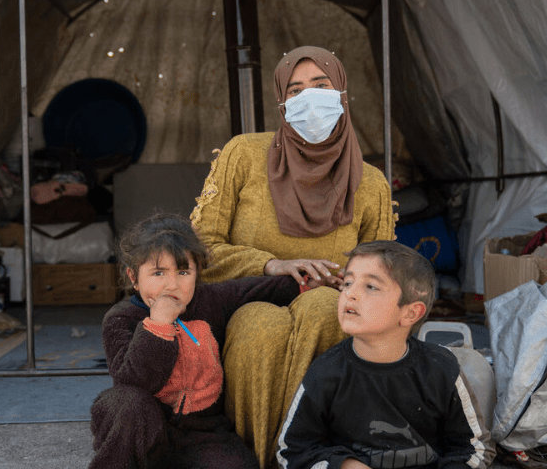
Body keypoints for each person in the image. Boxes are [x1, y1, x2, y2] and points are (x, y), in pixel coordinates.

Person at [189, 46, 396, 466]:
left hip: (331, 304)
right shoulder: (243, 155)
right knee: (257, 326)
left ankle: (308, 456)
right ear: (282, 103)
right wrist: (272, 266)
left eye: (321, 86)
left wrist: (351, 282)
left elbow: (387, 270)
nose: (310, 99)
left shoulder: (371, 183)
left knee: (322, 310)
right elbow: (199, 245)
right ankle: (256, 458)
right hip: (248, 296)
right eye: (296, 90)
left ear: (342, 94)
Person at [88, 213, 332, 469]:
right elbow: (132, 383)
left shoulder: (210, 301)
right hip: (142, 426)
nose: (172, 285)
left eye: (183, 271)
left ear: (197, 272)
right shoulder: (120, 319)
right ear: (133, 278)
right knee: (128, 404)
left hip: (201, 434)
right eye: (158, 273)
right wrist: (158, 326)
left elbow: (254, 289)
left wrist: (304, 282)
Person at [276, 240, 493, 469]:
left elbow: (475, 449)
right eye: (348, 282)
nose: (351, 294)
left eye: (371, 287)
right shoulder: (325, 373)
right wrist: (343, 466)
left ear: (410, 313)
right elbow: (290, 452)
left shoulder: (441, 370)